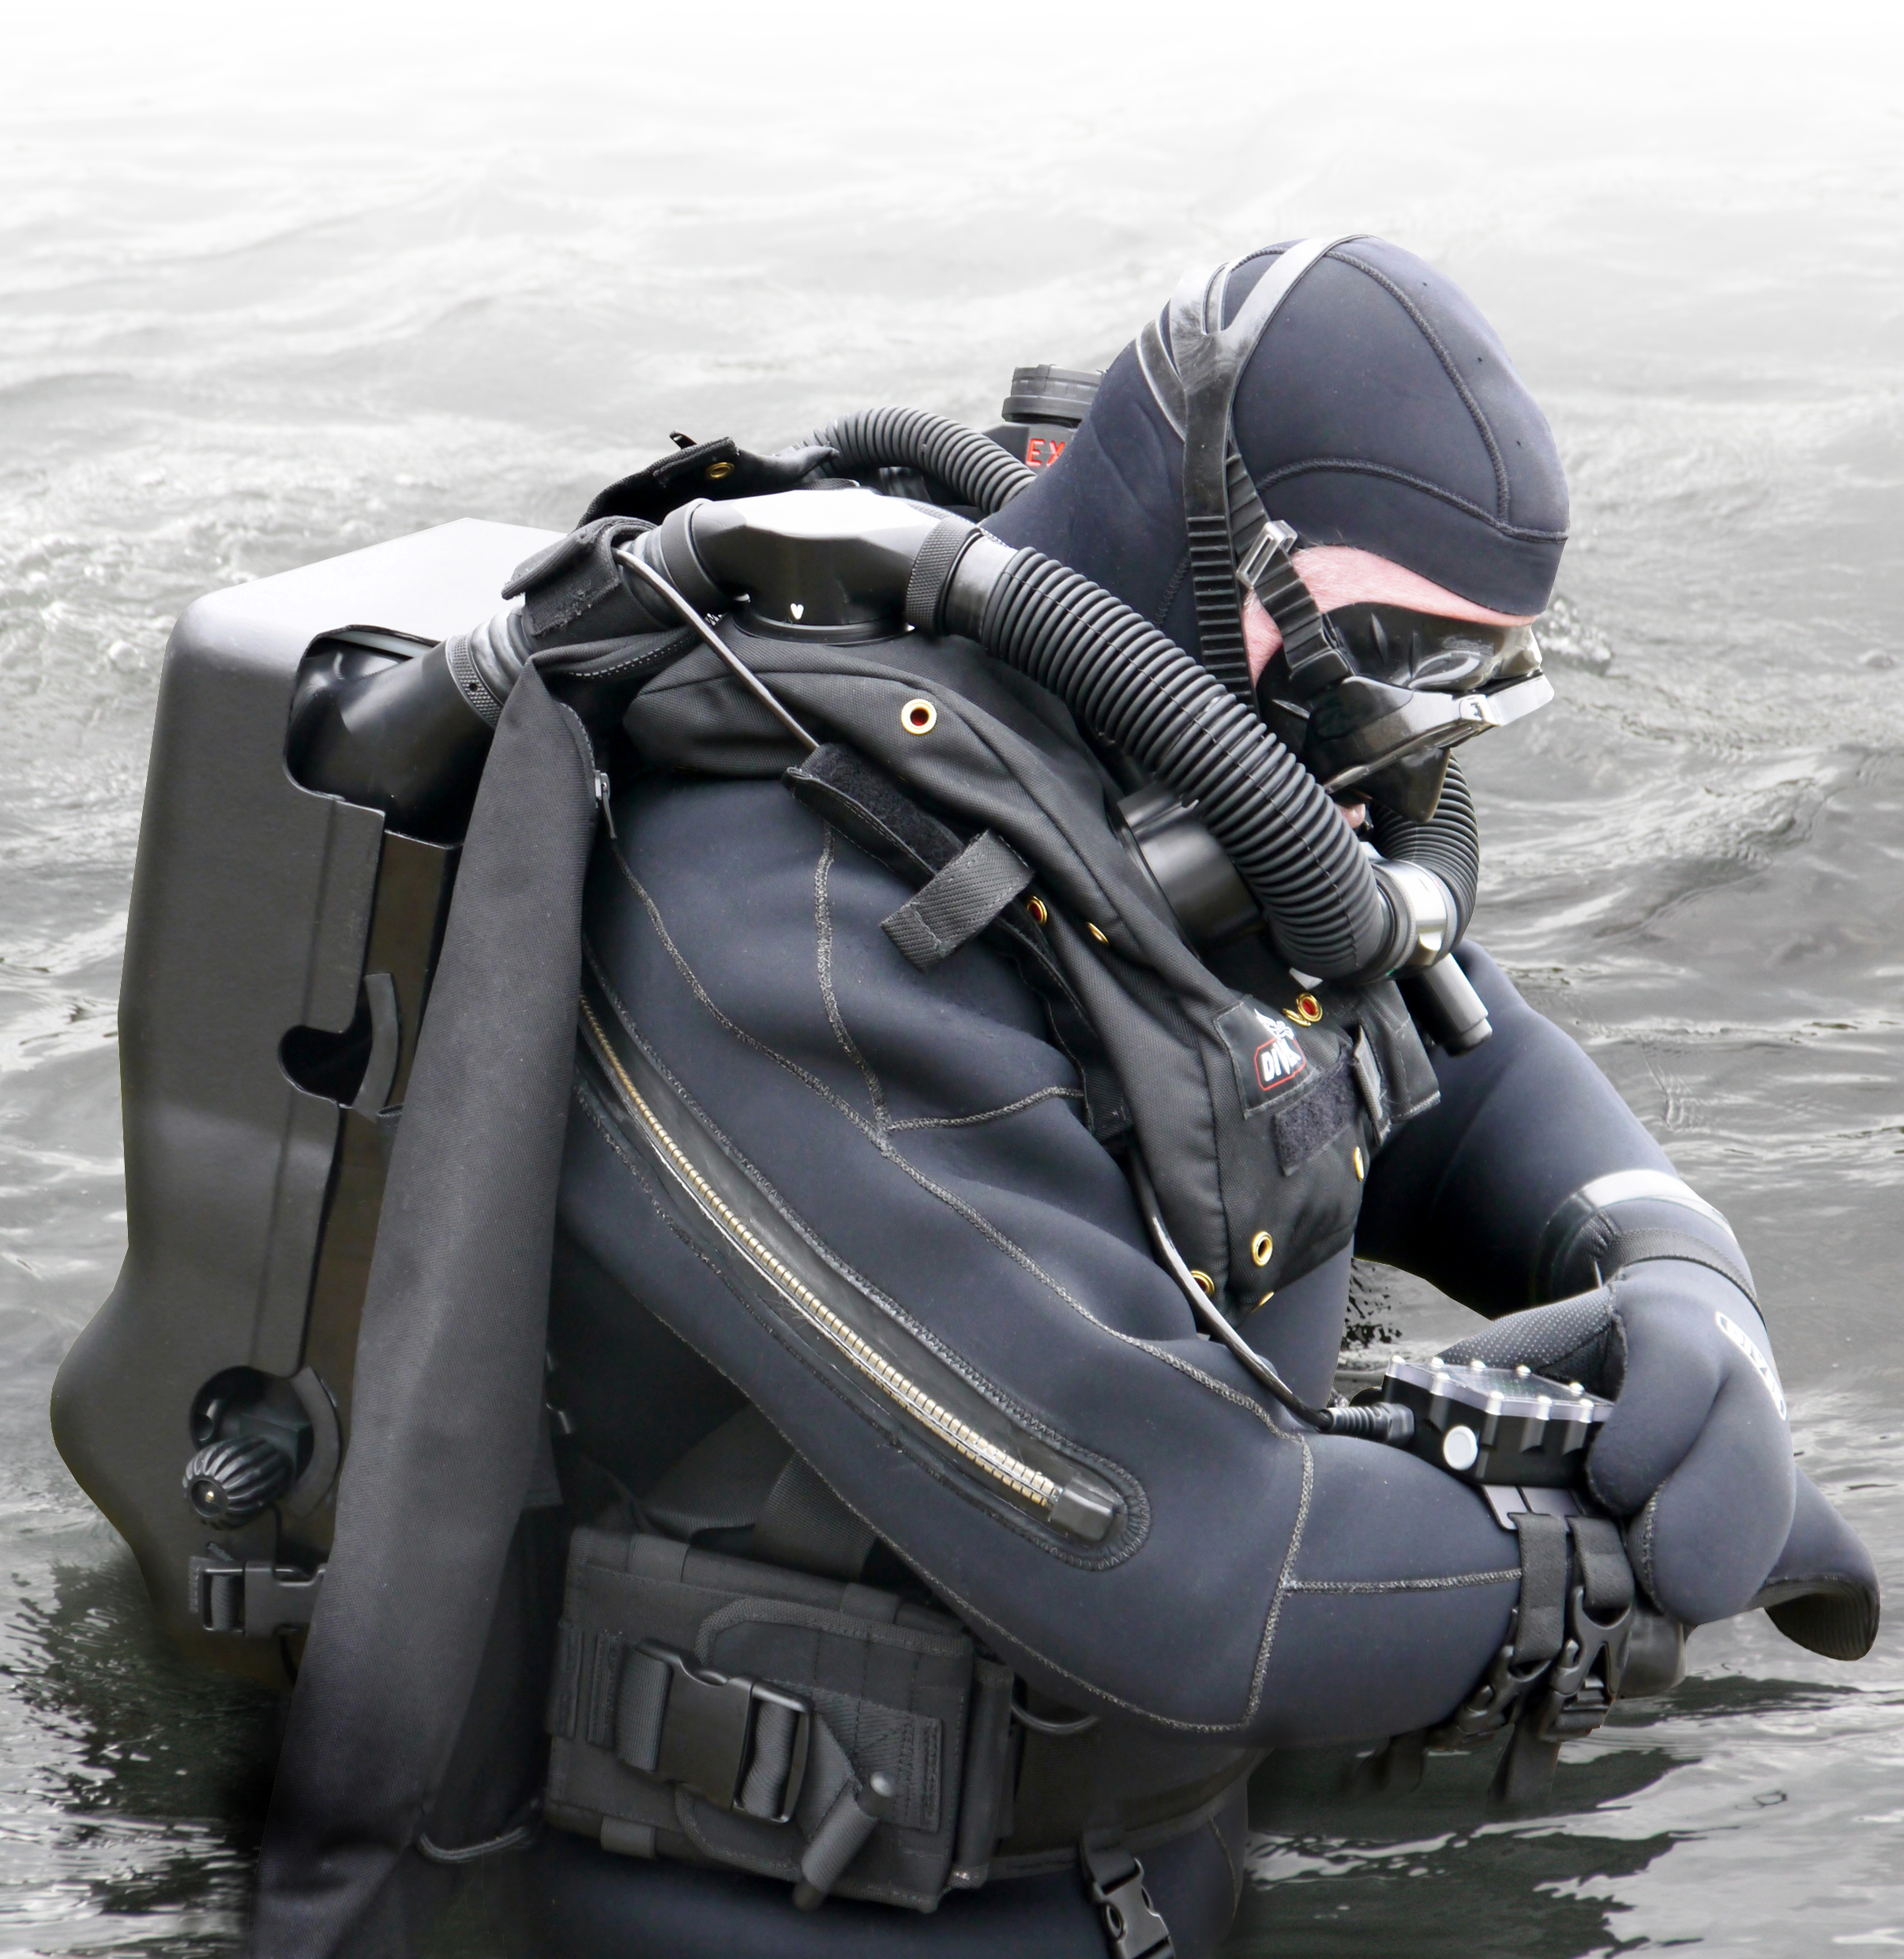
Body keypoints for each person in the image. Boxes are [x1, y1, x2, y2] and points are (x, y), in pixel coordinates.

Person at [226, 239, 1878, 1959]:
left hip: (1139, 1861)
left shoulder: (1190, 768)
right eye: (1395, 654)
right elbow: (1189, 1574)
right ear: (1216, 552)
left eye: (1482, 681)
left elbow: (1449, 1051)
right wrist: (1637, 1555)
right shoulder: (777, 913)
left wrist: (1676, 1270)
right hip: (791, 1905)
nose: (1411, 745)